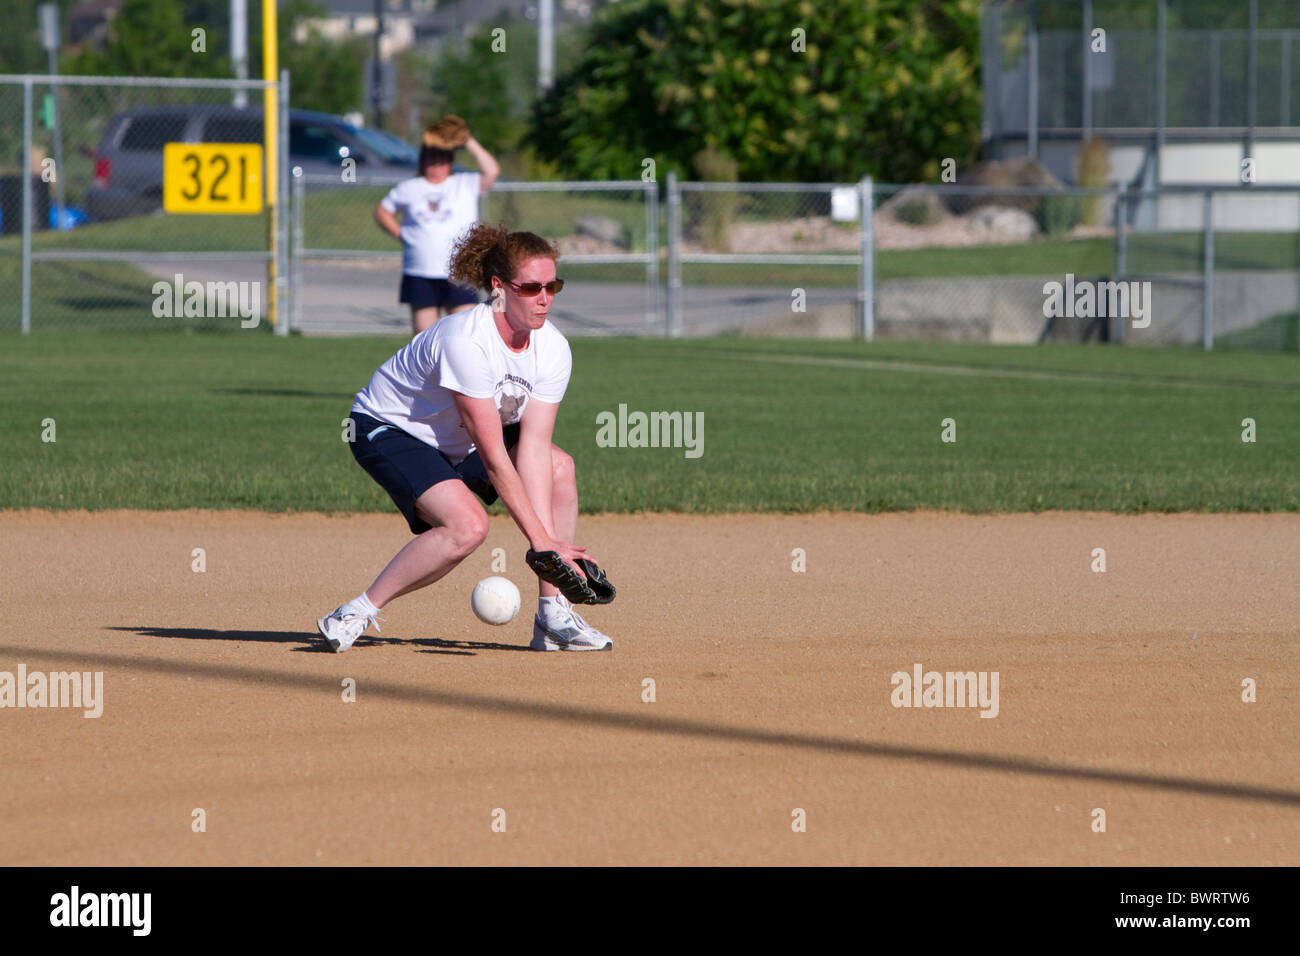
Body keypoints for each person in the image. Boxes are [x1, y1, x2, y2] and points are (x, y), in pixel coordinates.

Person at [317, 222, 612, 653]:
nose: (544, 298)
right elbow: (495, 457)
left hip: (460, 437)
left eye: (553, 285)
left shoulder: (553, 349)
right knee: (468, 527)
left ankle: (553, 617)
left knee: (558, 465)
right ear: (499, 286)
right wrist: (541, 541)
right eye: (530, 287)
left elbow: (530, 449)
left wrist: (548, 551)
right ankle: (355, 612)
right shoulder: (467, 341)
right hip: (391, 428)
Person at [374, 115, 500, 335]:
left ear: (450, 162)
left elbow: (491, 171)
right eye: (431, 160)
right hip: (420, 270)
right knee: (424, 339)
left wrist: (468, 140)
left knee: (463, 334)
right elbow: (383, 211)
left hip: (459, 271)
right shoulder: (410, 187)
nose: (436, 165)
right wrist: (400, 233)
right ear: (422, 161)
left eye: (441, 160)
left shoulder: (463, 183)